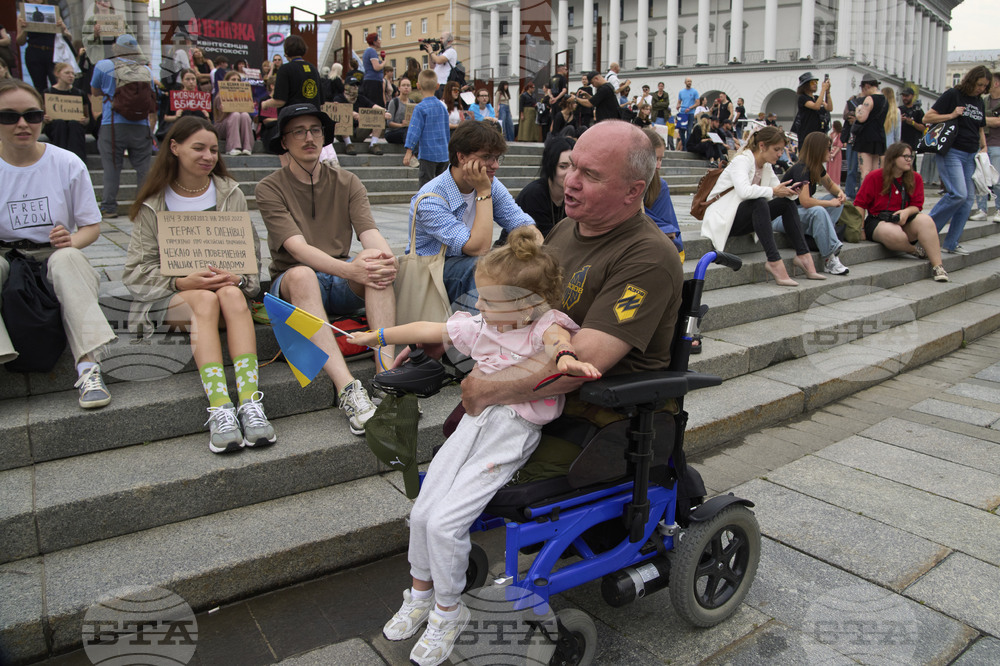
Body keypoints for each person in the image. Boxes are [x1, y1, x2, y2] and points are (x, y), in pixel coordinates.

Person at [370, 227, 600, 666]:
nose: (478, 306)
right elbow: (430, 327)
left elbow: (558, 341)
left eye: (489, 300)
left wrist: (567, 358)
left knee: (446, 523)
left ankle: (448, 612)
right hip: (474, 424)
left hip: (510, 432)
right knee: (422, 512)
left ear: (527, 305)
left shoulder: (543, 324)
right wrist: (378, 336)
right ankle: (420, 594)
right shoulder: (485, 325)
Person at [460, 119, 684, 485]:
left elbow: (582, 360)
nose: (571, 181)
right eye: (572, 166)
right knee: (455, 460)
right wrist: (445, 337)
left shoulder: (649, 257)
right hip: (538, 398)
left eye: (590, 175)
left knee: (484, 482)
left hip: (600, 414)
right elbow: (524, 307)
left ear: (633, 191)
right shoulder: (567, 228)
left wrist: (488, 388)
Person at [123, 117, 275, 452]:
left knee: (231, 294)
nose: (208, 156)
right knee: (204, 300)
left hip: (227, 303)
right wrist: (180, 281)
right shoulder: (154, 202)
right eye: (199, 148)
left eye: (214, 150)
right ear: (175, 148)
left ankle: (250, 403)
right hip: (174, 304)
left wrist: (237, 277)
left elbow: (250, 262)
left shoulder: (229, 193)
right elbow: (135, 273)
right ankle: (220, 407)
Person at [256, 104, 396, 434]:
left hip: (340, 277)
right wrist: (351, 271)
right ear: (284, 141)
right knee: (303, 274)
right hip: (292, 282)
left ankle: (387, 379)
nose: (309, 138)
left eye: (315, 130)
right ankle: (348, 389)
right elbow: (297, 249)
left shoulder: (347, 181)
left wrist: (386, 259)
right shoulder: (269, 187)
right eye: (298, 131)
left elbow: (369, 232)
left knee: (375, 262)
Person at [0, 79, 116, 408]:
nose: (22, 124)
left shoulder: (67, 163)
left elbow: (91, 227)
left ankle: (89, 367)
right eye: (8, 116)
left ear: (43, 117)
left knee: (67, 260)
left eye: (32, 115)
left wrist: (71, 240)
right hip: (6, 254)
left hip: (55, 252)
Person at [411, 120, 537, 311]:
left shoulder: (491, 183)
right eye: (487, 157)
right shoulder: (430, 198)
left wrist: (535, 252)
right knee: (481, 267)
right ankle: (484, 326)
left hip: (466, 265)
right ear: (461, 157)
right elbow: (479, 248)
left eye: (497, 158)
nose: (495, 165)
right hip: (430, 273)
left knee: (518, 263)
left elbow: (523, 224)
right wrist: (483, 192)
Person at [701, 126, 824, 286]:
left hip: (745, 217)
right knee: (759, 202)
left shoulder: (766, 166)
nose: (780, 154)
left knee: (786, 203)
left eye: (781, 150)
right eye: (776, 149)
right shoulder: (742, 160)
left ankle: (803, 255)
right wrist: (774, 190)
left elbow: (777, 190)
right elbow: (744, 191)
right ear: (762, 146)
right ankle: (774, 261)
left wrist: (791, 192)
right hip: (725, 218)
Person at [854, 142, 949, 282]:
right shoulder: (874, 176)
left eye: (911, 156)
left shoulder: (915, 178)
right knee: (893, 233)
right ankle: (913, 250)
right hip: (878, 220)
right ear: (893, 158)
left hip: (904, 218)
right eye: (905, 156)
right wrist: (860, 229)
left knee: (926, 220)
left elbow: (917, 205)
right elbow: (859, 204)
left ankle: (938, 266)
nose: (909, 159)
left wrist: (906, 212)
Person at [923, 65, 990, 254]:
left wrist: (983, 146)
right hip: (952, 151)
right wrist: (952, 115)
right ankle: (924, 232)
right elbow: (928, 117)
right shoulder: (953, 94)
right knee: (958, 194)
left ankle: (951, 243)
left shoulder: (979, 101)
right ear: (971, 80)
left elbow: (980, 127)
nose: (981, 89)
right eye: (979, 84)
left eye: (985, 86)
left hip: (971, 154)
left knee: (968, 200)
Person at [90, 34, 156, 220]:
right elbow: (151, 97)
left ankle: (109, 207)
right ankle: (143, 207)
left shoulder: (104, 66)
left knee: (112, 167)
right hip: (141, 125)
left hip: (112, 124)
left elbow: (95, 91)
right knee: (144, 168)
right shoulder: (146, 70)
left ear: (116, 48)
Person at [775, 132, 850, 275]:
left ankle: (823, 237)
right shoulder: (801, 169)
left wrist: (840, 194)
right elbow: (806, 201)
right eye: (828, 148)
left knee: (836, 201)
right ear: (818, 149)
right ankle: (829, 259)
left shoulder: (817, 167)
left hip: (798, 212)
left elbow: (831, 186)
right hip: (782, 216)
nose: (831, 151)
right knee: (819, 210)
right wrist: (830, 203)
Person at [509, 135, 574, 238]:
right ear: (550, 166)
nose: (570, 172)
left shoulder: (574, 194)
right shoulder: (534, 194)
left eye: (574, 166)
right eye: (563, 166)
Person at [642, 127, 684, 262]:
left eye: (661, 159)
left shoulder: (660, 186)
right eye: (655, 159)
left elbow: (671, 229)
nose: (659, 166)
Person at [404, 69, 451, 187]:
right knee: (442, 186)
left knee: (426, 186)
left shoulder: (420, 108)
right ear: (437, 86)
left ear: (418, 86)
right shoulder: (443, 107)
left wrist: (409, 151)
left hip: (427, 154)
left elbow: (414, 130)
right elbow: (447, 131)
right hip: (443, 154)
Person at [261, 35, 323, 118]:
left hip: (293, 119)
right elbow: (321, 100)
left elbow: (280, 101)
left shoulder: (285, 69)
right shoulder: (313, 69)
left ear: (286, 51)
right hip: (313, 117)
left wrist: (265, 104)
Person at [16, 9, 74, 92]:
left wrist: (62, 29)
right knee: (39, 86)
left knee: (57, 83)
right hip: (34, 53)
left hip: (53, 54)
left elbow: (69, 37)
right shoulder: (22, 15)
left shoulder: (53, 12)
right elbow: (20, 41)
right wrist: (25, 29)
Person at [43, 61, 90, 162]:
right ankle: (58, 159)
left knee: (74, 124)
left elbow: (87, 117)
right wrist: (46, 119)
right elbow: (43, 115)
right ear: (57, 74)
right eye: (67, 73)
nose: (71, 76)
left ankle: (77, 161)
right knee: (59, 123)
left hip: (74, 127)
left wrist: (84, 121)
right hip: (56, 127)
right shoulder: (48, 92)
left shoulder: (79, 93)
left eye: (73, 73)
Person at [332, 78, 386, 155]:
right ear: (346, 86)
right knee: (342, 114)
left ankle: (373, 144)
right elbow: (337, 107)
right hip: (343, 133)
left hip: (359, 131)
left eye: (356, 85)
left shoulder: (361, 98)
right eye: (352, 85)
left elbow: (373, 106)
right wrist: (352, 113)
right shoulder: (339, 98)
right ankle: (348, 144)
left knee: (378, 115)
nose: (355, 87)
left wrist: (384, 112)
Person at [975, 72, 1000, 222]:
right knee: (980, 179)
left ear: (996, 83)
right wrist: (988, 119)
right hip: (982, 144)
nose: (985, 86)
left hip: (998, 145)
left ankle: (999, 210)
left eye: (988, 83)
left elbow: (998, 122)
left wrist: (981, 119)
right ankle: (982, 210)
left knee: (997, 180)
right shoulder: (983, 101)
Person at [853, 74, 888, 182]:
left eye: (862, 89)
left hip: (866, 137)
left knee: (865, 171)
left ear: (867, 86)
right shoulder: (885, 100)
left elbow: (861, 118)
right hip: (879, 136)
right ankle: (874, 191)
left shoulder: (869, 99)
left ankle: (865, 191)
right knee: (875, 170)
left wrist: (858, 110)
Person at [214, 70, 253, 156]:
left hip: (238, 126)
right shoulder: (219, 96)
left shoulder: (243, 94)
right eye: (233, 80)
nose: (236, 82)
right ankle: (232, 147)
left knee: (245, 115)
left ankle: (247, 147)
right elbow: (220, 118)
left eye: (238, 80)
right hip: (223, 126)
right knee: (235, 114)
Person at [793, 72, 832, 141]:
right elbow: (816, 106)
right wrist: (823, 89)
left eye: (816, 82)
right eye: (812, 83)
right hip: (807, 134)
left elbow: (829, 108)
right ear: (805, 85)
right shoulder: (803, 98)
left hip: (818, 133)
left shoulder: (816, 98)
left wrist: (828, 92)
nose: (815, 84)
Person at [385, 76, 413, 144]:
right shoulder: (394, 102)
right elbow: (389, 123)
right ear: (399, 88)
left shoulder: (412, 103)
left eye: (408, 85)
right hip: (393, 132)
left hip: (406, 131)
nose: (406, 87)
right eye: (403, 85)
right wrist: (401, 125)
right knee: (407, 132)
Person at [898, 84, 925, 152]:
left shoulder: (918, 111)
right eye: (903, 96)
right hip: (900, 144)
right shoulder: (899, 110)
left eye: (907, 96)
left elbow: (923, 128)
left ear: (912, 96)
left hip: (913, 145)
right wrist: (898, 120)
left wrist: (912, 123)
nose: (904, 98)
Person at [361, 33, 385, 107]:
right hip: (373, 82)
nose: (380, 41)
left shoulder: (367, 51)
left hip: (370, 81)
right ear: (374, 42)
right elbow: (376, 67)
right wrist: (383, 63)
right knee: (375, 104)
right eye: (378, 40)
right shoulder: (372, 51)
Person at [676, 77, 699, 150]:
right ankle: (684, 145)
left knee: (689, 130)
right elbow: (679, 102)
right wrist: (678, 106)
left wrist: (690, 108)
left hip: (690, 113)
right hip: (682, 113)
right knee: (681, 131)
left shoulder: (694, 91)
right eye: (688, 81)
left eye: (690, 81)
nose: (689, 83)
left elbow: (697, 103)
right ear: (685, 82)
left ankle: (687, 146)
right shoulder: (681, 92)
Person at [828, 120, 843, 186]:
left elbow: (839, 146)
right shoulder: (831, 134)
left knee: (836, 169)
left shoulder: (839, 135)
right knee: (830, 169)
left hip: (837, 153)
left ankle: (836, 183)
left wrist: (834, 154)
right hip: (831, 151)